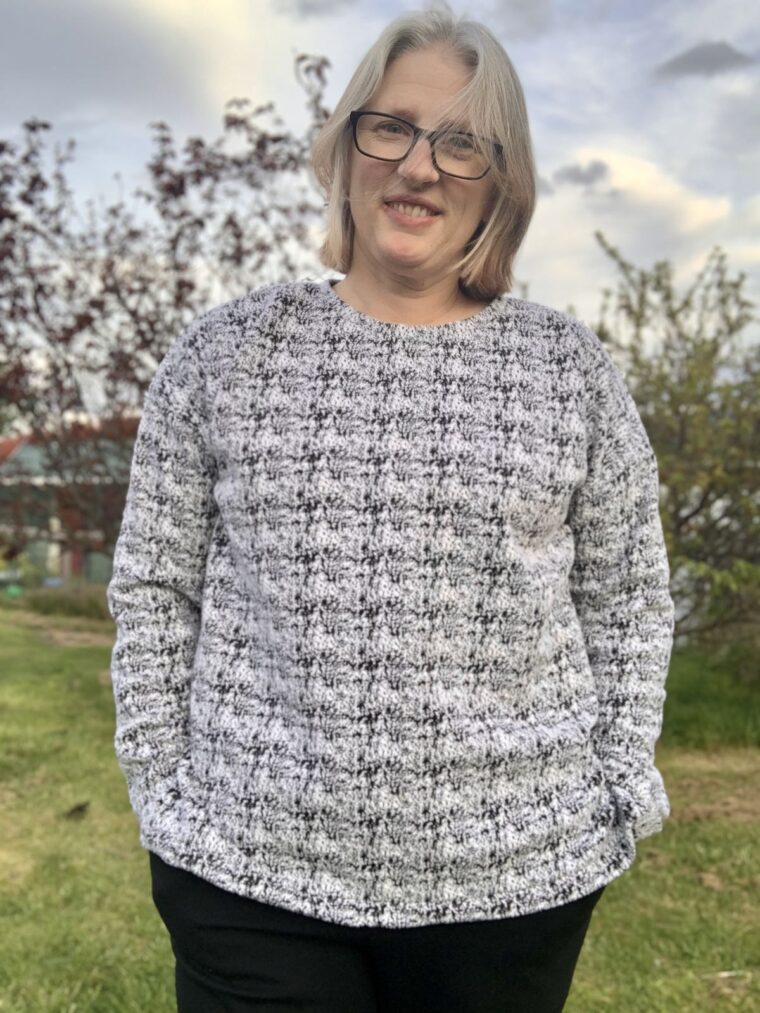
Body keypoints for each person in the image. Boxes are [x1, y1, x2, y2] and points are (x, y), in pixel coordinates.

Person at [106, 5, 675, 1011]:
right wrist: (162, 778)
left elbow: (627, 595)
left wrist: (617, 783)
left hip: (514, 879)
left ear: (500, 177)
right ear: (345, 143)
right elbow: (154, 585)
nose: (419, 166)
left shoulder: (567, 370)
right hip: (246, 871)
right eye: (393, 127)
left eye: (462, 142)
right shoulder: (225, 354)